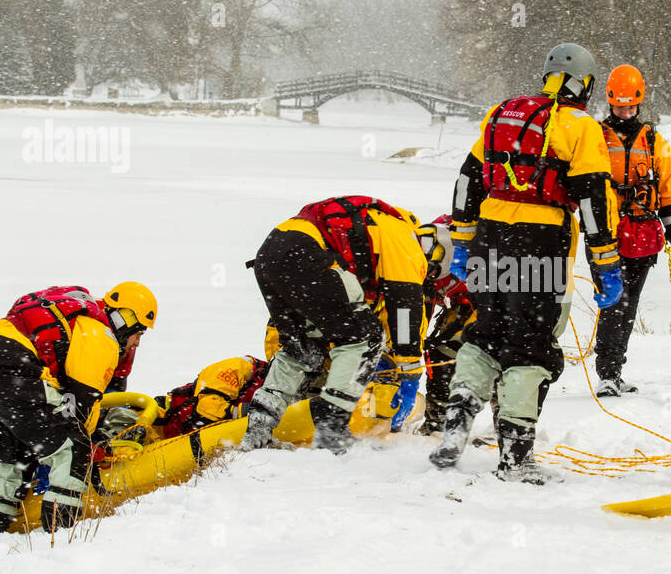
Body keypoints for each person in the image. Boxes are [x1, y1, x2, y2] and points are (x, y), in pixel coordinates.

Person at [429, 43, 622, 484]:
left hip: (487, 237)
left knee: (484, 334)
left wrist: (461, 240)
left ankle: (453, 431)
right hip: (540, 242)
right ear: (586, 84)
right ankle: (515, 457)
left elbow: (467, 180)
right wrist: (605, 261)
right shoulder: (579, 126)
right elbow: (592, 198)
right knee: (529, 343)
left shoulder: (503, 112)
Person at [0, 282, 157, 532]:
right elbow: (81, 406)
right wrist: (90, 445)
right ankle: (59, 537)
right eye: (138, 333)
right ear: (123, 320)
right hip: (12, 365)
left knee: (15, 452)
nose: (137, 342)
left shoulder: (80, 316)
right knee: (74, 449)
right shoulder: (100, 336)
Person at [241, 195, 428, 454]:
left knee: (303, 347)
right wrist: (409, 368)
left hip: (269, 255)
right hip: (305, 254)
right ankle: (332, 426)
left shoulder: (373, 222)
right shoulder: (403, 235)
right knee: (365, 339)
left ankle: (260, 424)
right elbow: (406, 302)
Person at [593, 64, 671, 397]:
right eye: (619, 106)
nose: (624, 111)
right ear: (610, 102)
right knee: (613, 302)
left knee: (629, 305)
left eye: (630, 106)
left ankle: (616, 370)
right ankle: (605, 372)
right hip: (605, 234)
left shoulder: (653, 141)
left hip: (643, 235)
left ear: (639, 103)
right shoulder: (596, 138)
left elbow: (670, 194)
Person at [415, 215, 476, 435]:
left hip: (489, 304)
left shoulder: (470, 244)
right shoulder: (423, 259)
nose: (430, 275)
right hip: (459, 305)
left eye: (432, 270)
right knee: (438, 353)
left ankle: (504, 421)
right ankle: (436, 420)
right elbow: (422, 310)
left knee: (493, 355)